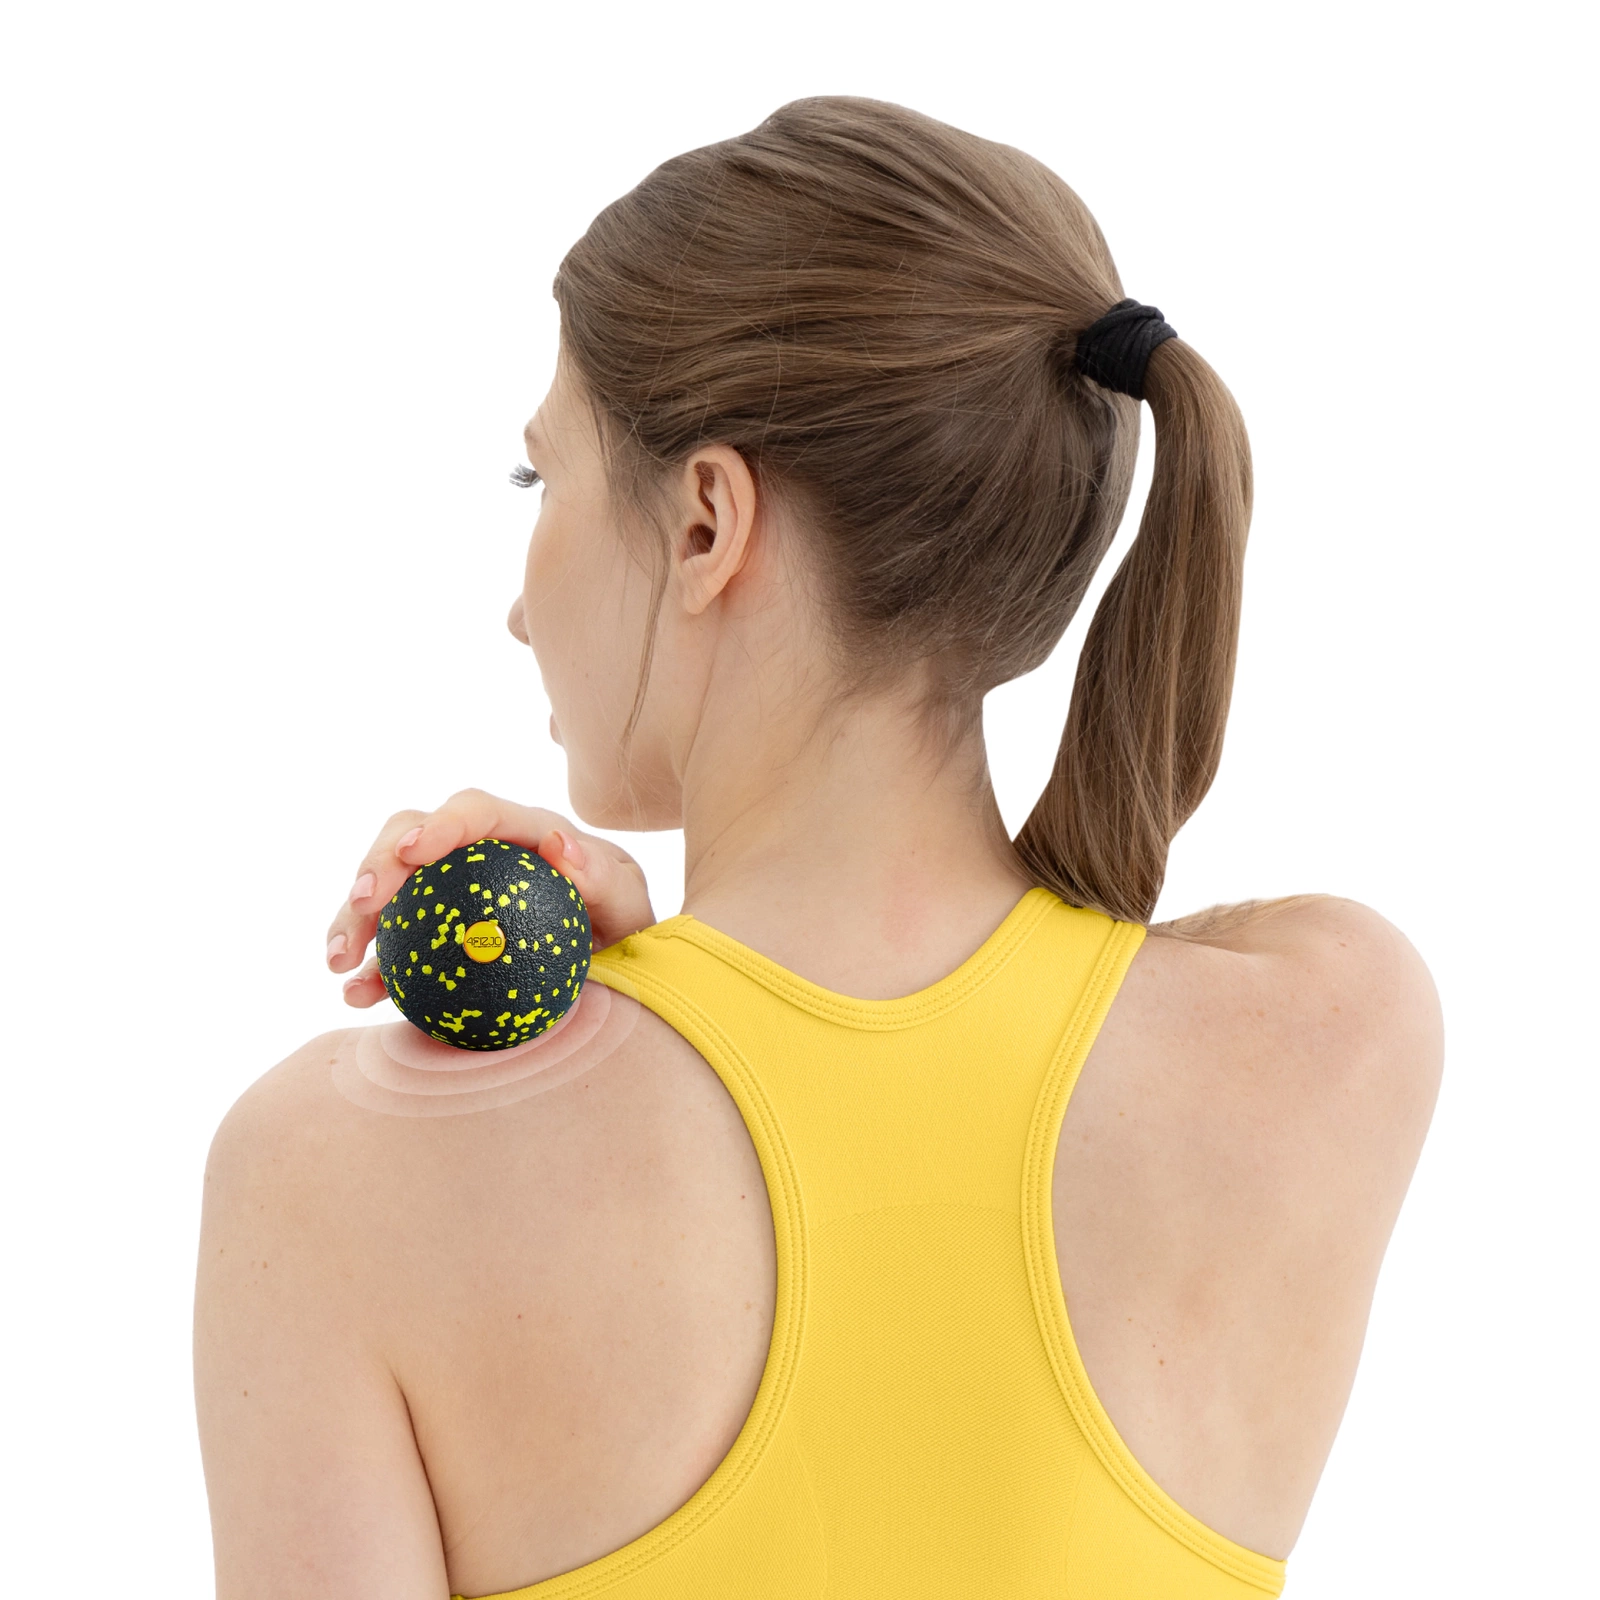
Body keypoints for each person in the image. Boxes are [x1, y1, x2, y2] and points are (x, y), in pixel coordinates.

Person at [193, 97, 1443, 1599]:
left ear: (708, 522)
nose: (518, 607)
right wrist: (690, 980)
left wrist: (662, 990)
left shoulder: (331, 1178)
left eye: (542, 479)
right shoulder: (1339, 1029)